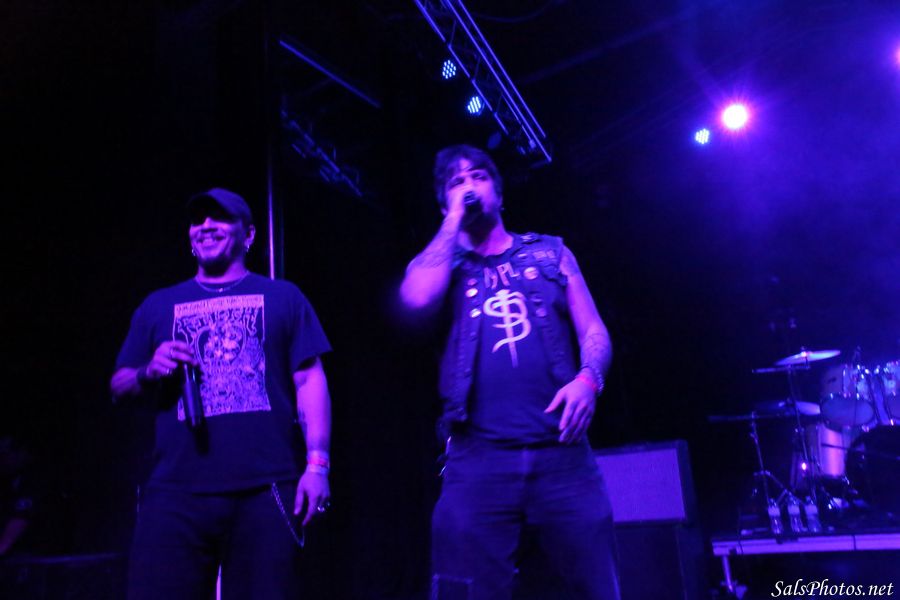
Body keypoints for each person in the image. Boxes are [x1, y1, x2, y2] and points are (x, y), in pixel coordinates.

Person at [400, 145, 620, 600]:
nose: (468, 186)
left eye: (478, 177)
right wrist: (453, 220)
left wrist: (588, 379)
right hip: (477, 462)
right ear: (444, 203)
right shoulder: (442, 266)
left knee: (596, 587)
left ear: (499, 194)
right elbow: (416, 298)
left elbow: (593, 329)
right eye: (456, 182)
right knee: (465, 591)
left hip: (561, 454)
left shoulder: (551, 253)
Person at [110, 188, 332, 600]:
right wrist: (148, 370)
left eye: (220, 218)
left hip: (265, 488)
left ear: (249, 235)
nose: (206, 226)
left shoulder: (283, 297)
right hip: (175, 491)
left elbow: (309, 381)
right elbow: (119, 384)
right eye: (198, 220)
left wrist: (317, 465)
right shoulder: (158, 305)